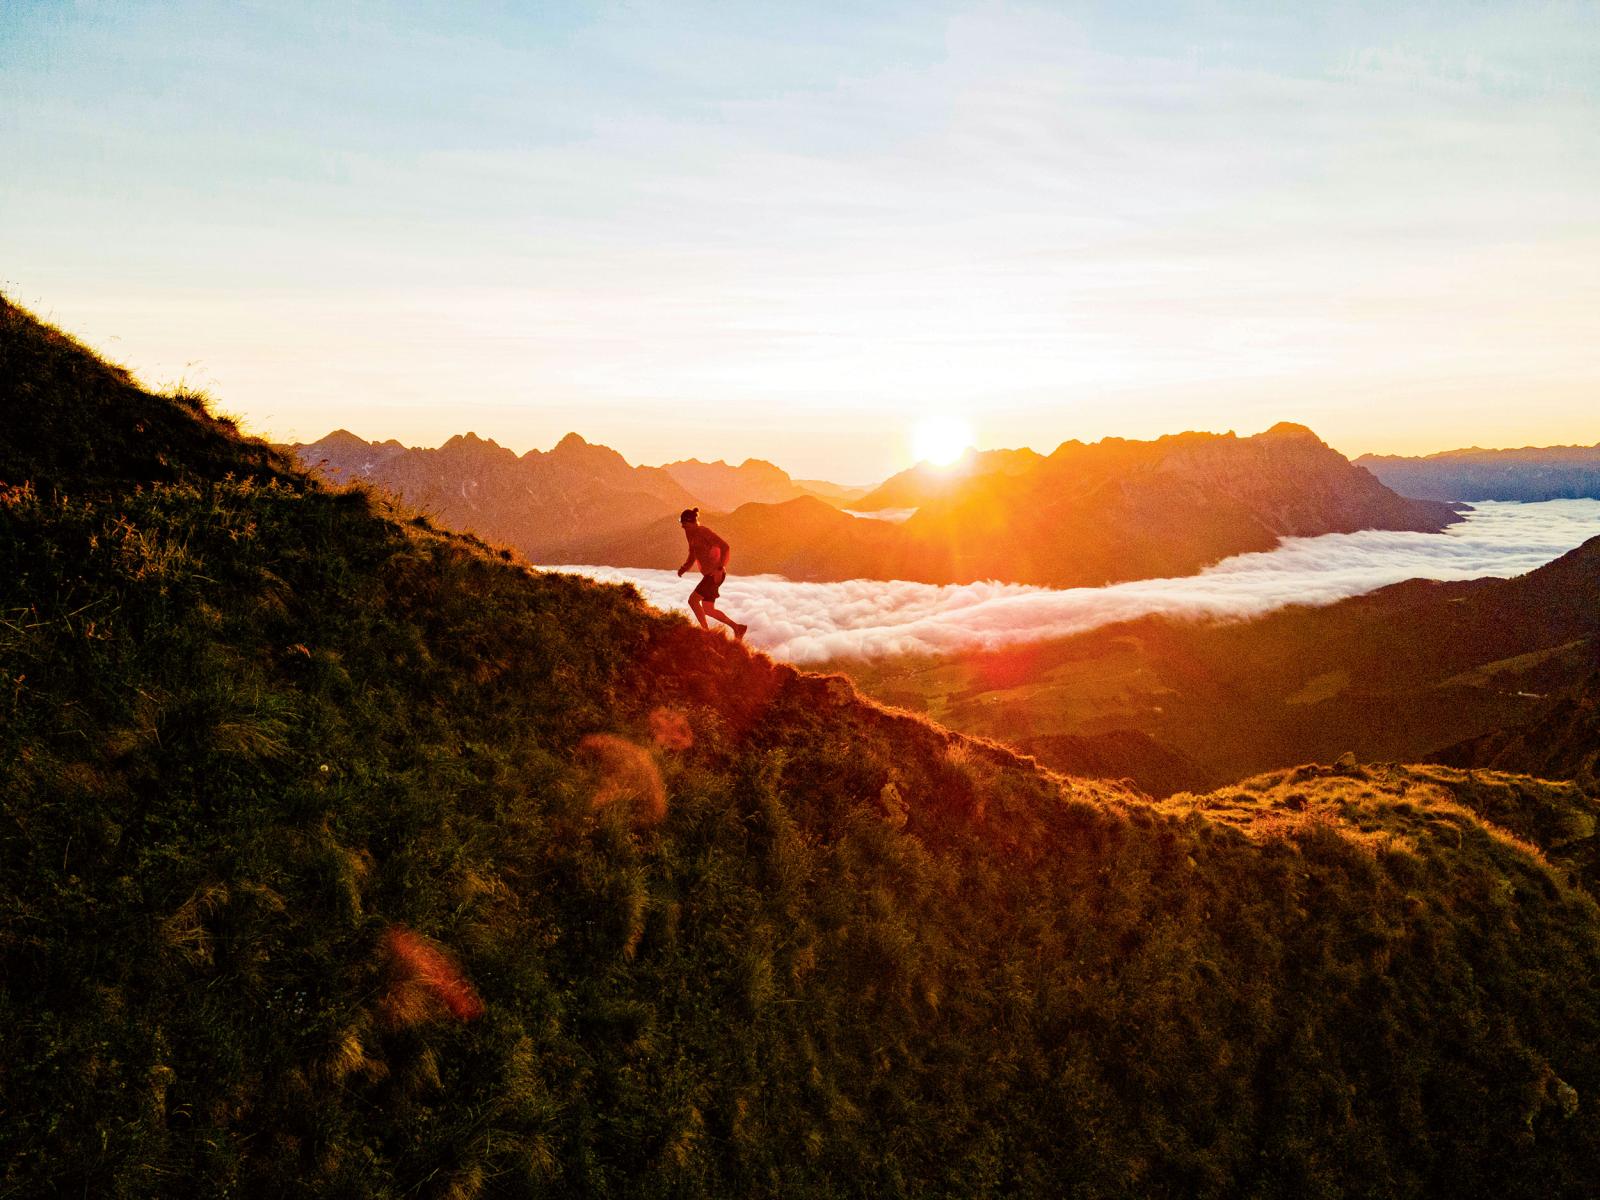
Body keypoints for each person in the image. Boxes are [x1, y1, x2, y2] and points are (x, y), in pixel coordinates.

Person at [676, 507, 748, 641]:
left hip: (714, 575)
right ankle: (738, 628)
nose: (682, 527)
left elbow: (725, 547)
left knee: (693, 601)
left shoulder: (703, 532)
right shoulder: (690, 534)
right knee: (708, 609)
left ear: (692, 522)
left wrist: (720, 568)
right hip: (709, 575)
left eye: (684, 524)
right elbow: (692, 554)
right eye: (682, 524)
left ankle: (706, 632)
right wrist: (684, 568)